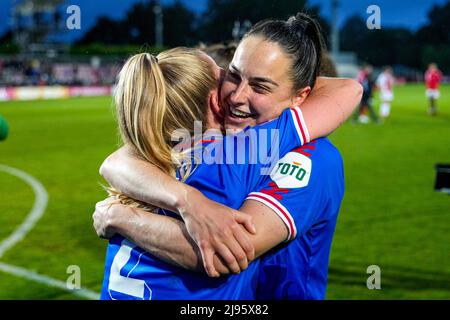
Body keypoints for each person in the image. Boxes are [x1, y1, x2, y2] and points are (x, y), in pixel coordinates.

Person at [94, 13, 362, 299]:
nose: (235, 96)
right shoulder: (232, 154)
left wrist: (120, 216)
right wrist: (186, 201)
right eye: (232, 75)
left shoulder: (156, 152)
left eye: (260, 86)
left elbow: (115, 160)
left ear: (301, 96)